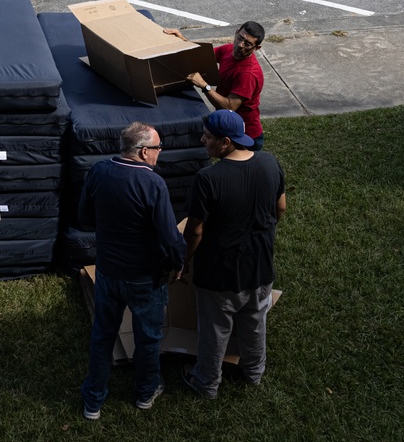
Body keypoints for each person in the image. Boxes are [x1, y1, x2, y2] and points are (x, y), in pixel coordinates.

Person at [79, 122, 186, 418]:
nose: (159, 153)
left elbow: (84, 217)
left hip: (109, 272)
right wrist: (179, 262)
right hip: (145, 279)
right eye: (157, 148)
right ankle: (145, 393)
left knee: (102, 336)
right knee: (148, 338)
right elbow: (169, 236)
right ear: (142, 152)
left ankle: (93, 401)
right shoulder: (153, 184)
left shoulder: (99, 171)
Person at [179, 109, 286, 399]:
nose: (203, 140)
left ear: (226, 142)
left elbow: (196, 231)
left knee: (215, 330)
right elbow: (281, 208)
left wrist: (184, 262)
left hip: (219, 273)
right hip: (261, 267)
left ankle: (206, 382)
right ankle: (254, 372)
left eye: (208, 136)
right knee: (254, 320)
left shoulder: (208, 178)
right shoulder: (269, 162)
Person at [163, 22, 266, 150]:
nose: (240, 45)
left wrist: (204, 86)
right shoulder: (228, 50)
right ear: (236, 32)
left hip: (244, 136)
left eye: (248, 44)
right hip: (228, 128)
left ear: (257, 48)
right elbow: (202, 56)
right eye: (240, 38)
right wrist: (182, 39)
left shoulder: (248, 74)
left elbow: (229, 106)